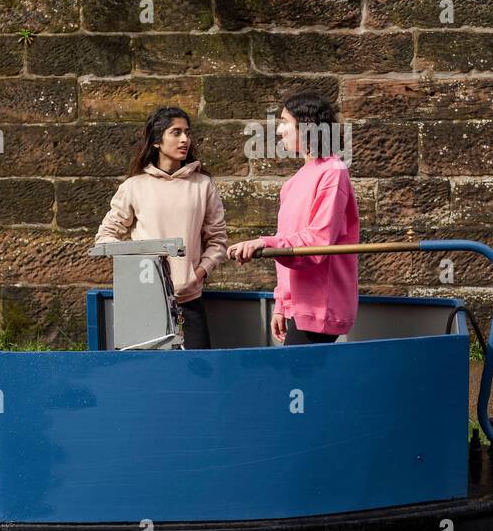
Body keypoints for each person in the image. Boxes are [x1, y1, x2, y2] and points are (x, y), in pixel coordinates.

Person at [227, 92, 359, 345]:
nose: (279, 131)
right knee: (299, 381)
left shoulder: (333, 172)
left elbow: (317, 241)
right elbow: (287, 242)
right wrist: (282, 303)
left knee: (299, 381)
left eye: (285, 122)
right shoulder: (294, 182)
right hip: (298, 306)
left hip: (321, 304)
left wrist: (263, 243)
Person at [94, 106, 227, 349]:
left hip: (189, 301)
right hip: (144, 302)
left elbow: (218, 241)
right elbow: (105, 237)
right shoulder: (134, 186)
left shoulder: (203, 185)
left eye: (187, 132)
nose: (185, 139)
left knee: (198, 376)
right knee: (147, 378)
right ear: (157, 140)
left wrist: (196, 276)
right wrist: (136, 265)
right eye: (175, 132)